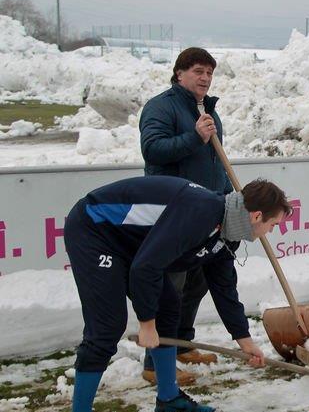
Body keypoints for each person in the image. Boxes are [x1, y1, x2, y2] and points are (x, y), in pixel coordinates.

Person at [65, 176, 291, 412]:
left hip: (131, 242)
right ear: (256, 216)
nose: (270, 231)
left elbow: (224, 288)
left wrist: (244, 340)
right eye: (272, 225)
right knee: (107, 326)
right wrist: (147, 324)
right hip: (95, 228)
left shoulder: (226, 234)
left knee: (168, 307)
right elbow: (146, 268)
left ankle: (168, 401)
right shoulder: (200, 212)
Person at [139, 47, 231, 385]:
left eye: (209, 72)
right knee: (170, 286)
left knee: (198, 280)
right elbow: (153, 149)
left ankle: (181, 343)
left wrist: (223, 199)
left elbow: (214, 162)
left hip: (206, 211)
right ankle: (154, 362)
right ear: (179, 74)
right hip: (171, 211)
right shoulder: (161, 107)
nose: (205, 78)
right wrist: (194, 137)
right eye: (197, 71)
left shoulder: (208, 110)